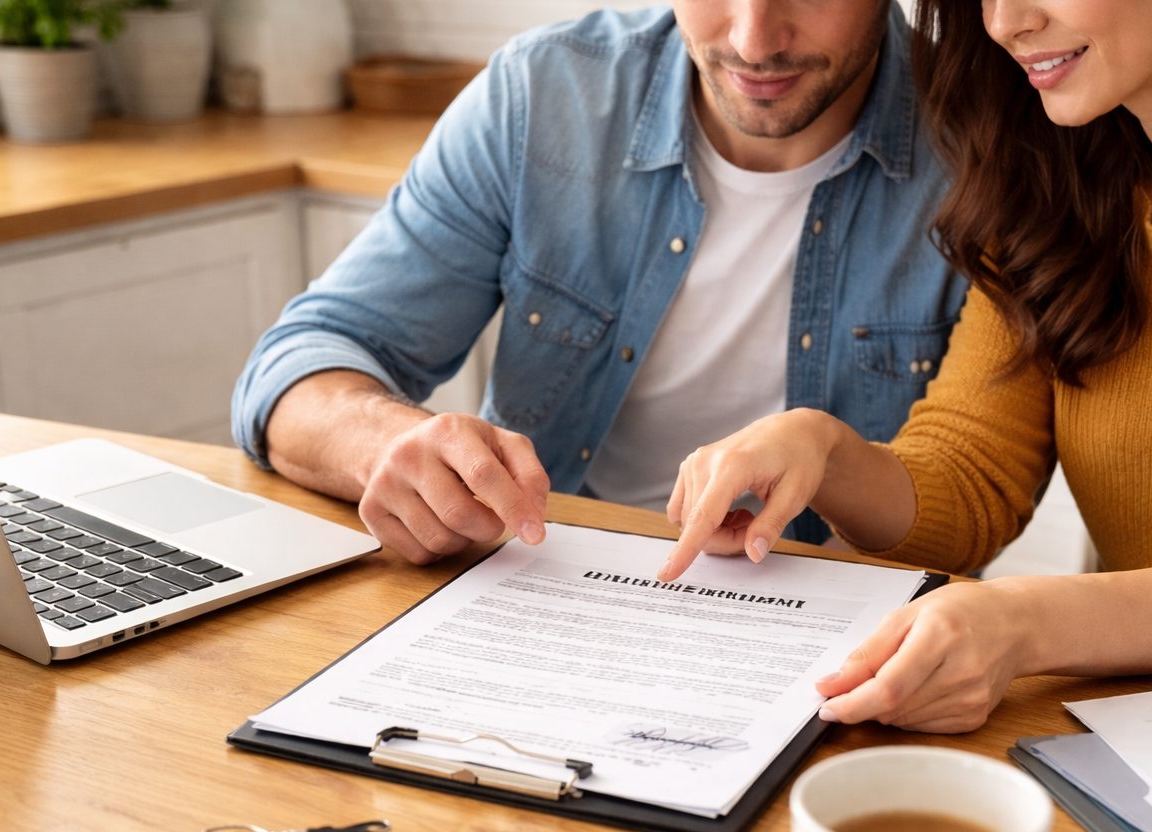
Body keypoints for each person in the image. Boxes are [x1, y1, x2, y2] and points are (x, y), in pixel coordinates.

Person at [657, 0, 1152, 733]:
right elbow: (969, 479)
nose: (1006, 22)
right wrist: (823, 453)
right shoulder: (1060, 178)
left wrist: (1026, 623)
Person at [230, 1, 964, 565]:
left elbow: (977, 501)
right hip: (548, 586)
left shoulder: (985, 151)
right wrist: (391, 444)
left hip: (847, 639)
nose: (753, 41)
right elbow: (298, 365)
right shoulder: (544, 96)